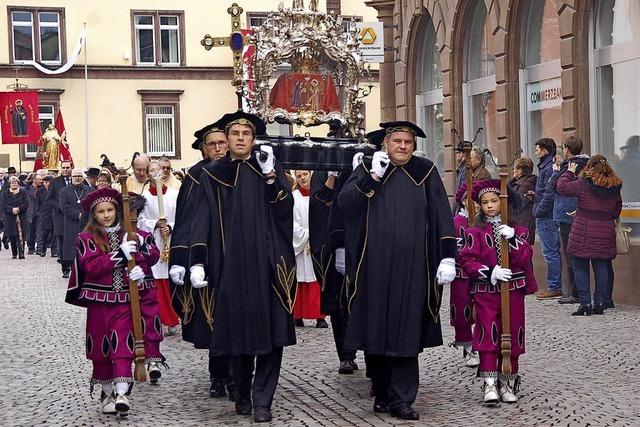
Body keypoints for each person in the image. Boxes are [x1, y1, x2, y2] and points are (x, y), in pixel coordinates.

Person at [337, 121, 457, 420]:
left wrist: (447, 256)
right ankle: (381, 389)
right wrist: (372, 177)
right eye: (397, 142)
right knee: (375, 328)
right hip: (374, 266)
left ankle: (402, 398)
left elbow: (442, 214)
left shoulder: (425, 172)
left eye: (408, 142)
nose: (403, 146)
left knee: (406, 330)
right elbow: (345, 206)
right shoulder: (368, 168)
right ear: (385, 144)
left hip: (413, 266)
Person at [188, 111, 295, 423]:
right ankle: (243, 392)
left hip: (268, 264)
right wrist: (197, 260)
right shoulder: (212, 174)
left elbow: (285, 210)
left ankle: (264, 400)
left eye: (245, 134)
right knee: (237, 336)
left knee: (272, 335)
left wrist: (271, 179)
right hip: (229, 264)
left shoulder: (270, 168)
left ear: (253, 138)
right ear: (228, 138)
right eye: (234, 133)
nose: (239, 139)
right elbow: (201, 220)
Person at [65, 187, 160, 416]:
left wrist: (141, 269)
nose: (106, 215)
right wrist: (120, 256)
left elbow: (152, 254)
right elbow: (92, 267)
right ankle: (106, 392)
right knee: (101, 347)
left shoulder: (130, 233)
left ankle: (121, 392)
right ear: (94, 215)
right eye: (101, 212)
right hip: (99, 301)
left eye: (110, 210)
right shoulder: (86, 238)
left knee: (122, 343)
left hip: (125, 301)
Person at [459, 179, 538, 405]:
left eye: (494, 201)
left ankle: (507, 381)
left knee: (511, 333)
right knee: (488, 332)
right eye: (485, 202)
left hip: (512, 292)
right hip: (486, 292)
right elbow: (467, 260)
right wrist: (489, 272)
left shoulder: (519, 231)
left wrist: (513, 239)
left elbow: (524, 259)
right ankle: (490, 383)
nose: (490, 206)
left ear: (504, 202)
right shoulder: (475, 231)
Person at [169, 121, 232, 399]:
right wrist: (181, 260)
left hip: (240, 255)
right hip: (208, 257)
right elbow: (185, 221)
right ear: (204, 149)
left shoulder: (241, 169)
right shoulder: (196, 176)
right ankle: (218, 374)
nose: (218, 148)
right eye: (212, 144)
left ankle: (241, 374)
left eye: (222, 143)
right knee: (214, 319)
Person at [556, 155, 623, 316]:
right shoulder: (614, 186)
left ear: (589, 167)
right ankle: (600, 302)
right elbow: (616, 211)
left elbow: (562, 187)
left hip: (582, 230)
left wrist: (569, 172)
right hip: (605, 231)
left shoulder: (584, 183)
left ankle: (585, 303)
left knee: (580, 266)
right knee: (601, 267)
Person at [541, 137, 590, 304]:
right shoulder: (587, 163)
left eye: (563, 147)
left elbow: (553, 186)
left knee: (572, 256)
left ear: (567, 149)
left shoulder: (572, 166)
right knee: (579, 256)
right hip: (577, 213)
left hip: (567, 215)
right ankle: (579, 292)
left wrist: (556, 170)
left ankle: (576, 293)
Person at [138, 160, 180, 335]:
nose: (156, 173)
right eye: (152, 170)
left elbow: (184, 216)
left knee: (173, 278)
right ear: (148, 175)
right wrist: (155, 223)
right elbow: (140, 221)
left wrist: (170, 225)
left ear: (164, 173)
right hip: (155, 241)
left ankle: (175, 317)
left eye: (158, 170)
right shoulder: (144, 198)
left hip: (173, 240)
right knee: (157, 280)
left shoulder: (175, 194)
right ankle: (161, 318)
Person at [292, 170, 328, 328]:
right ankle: (297, 316)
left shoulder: (319, 195)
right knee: (300, 279)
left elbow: (324, 218)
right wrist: (307, 236)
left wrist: (316, 237)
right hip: (300, 246)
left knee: (316, 279)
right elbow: (292, 223)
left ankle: (319, 317)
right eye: (299, 176)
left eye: (305, 174)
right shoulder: (293, 197)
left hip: (316, 243)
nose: (303, 178)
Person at [449, 183, 479, 368]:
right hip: (461, 275)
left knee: (484, 311)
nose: (475, 204)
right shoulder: (456, 223)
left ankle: (483, 345)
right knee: (462, 311)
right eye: (471, 200)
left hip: (481, 276)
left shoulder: (483, 221)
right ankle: (468, 348)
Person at [532, 138, 563, 299]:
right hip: (544, 213)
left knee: (550, 252)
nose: (536, 151)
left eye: (538, 149)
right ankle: (553, 285)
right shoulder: (545, 166)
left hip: (546, 215)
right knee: (550, 252)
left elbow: (549, 193)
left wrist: (538, 210)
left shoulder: (549, 168)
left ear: (545, 150)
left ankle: (554, 286)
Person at [59, 169, 92, 278]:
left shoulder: (89, 190)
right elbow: (64, 206)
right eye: (75, 176)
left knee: (85, 246)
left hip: (86, 223)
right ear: (71, 178)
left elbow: (92, 205)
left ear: (82, 178)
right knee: (70, 247)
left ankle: (85, 269)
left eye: (79, 176)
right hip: (70, 222)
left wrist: (85, 216)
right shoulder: (64, 191)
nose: (77, 178)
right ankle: (68, 269)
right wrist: (78, 215)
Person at [509, 157, 537, 245]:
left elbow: (518, 202)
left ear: (520, 170)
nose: (513, 170)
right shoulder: (517, 182)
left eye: (514, 168)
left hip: (522, 224)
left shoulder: (527, 184)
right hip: (518, 222)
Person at [50, 160, 73, 266]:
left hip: (74, 216)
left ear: (71, 168)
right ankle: (65, 267)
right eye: (63, 168)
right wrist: (60, 206)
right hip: (60, 216)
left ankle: (74, 265)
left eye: (67, 168)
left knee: (73, 241)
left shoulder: (77, 179)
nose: (65, 170)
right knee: (62, 242)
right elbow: (49, 199)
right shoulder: (55, 182)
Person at [2, 176, 29, 259]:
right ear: (9, 184)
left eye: (16, 182)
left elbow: (26, 203)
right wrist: (11, 209)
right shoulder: (5, 193)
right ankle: (14, 253)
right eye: (12, 183)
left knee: (21, 235)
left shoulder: (23, 192)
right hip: (9, 217)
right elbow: (3, 204)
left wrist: (19, 208)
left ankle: (21, 253)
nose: (14, 184)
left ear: (18, 183)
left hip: (21, 216)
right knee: (12, 236)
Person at [26, 174, 43, 254]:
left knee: (39, 231)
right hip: (30, 212)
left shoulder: (42, 189)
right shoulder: (27, 189)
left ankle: (39, 248)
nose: (41, 181)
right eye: (39, 179)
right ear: (34, 180)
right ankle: (31, 247)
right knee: (30, 232)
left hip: (39, 213)